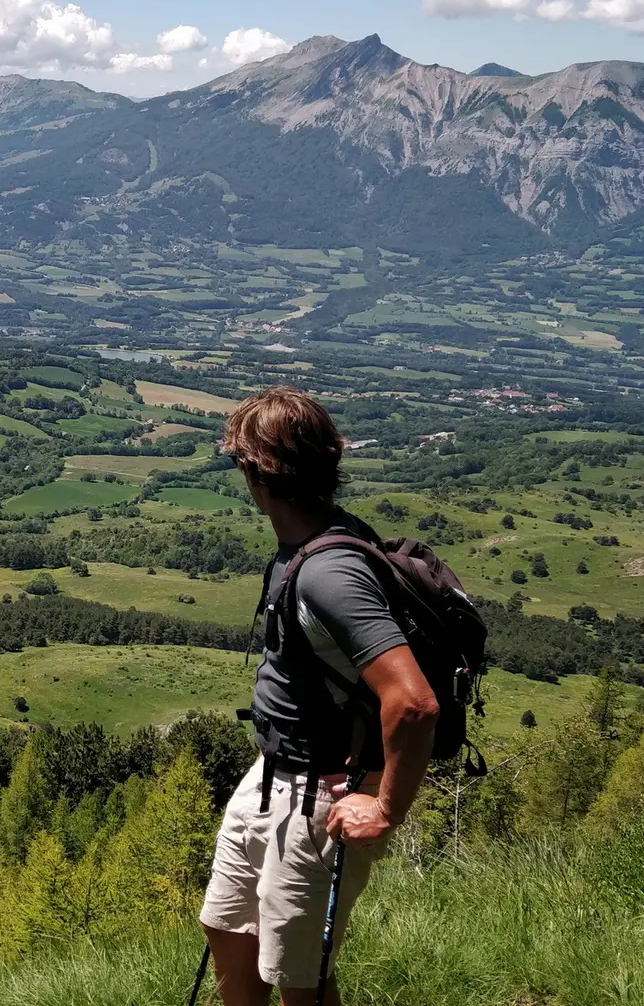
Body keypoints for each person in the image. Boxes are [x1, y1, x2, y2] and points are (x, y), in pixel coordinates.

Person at [199, 387, 440, 1006]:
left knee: (298, 977)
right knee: (227, 927)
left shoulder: (328, 571)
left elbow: (412, 701)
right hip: (274, 773)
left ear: (256, 472)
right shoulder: (311, 544)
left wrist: (382, 808)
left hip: (322, 792)